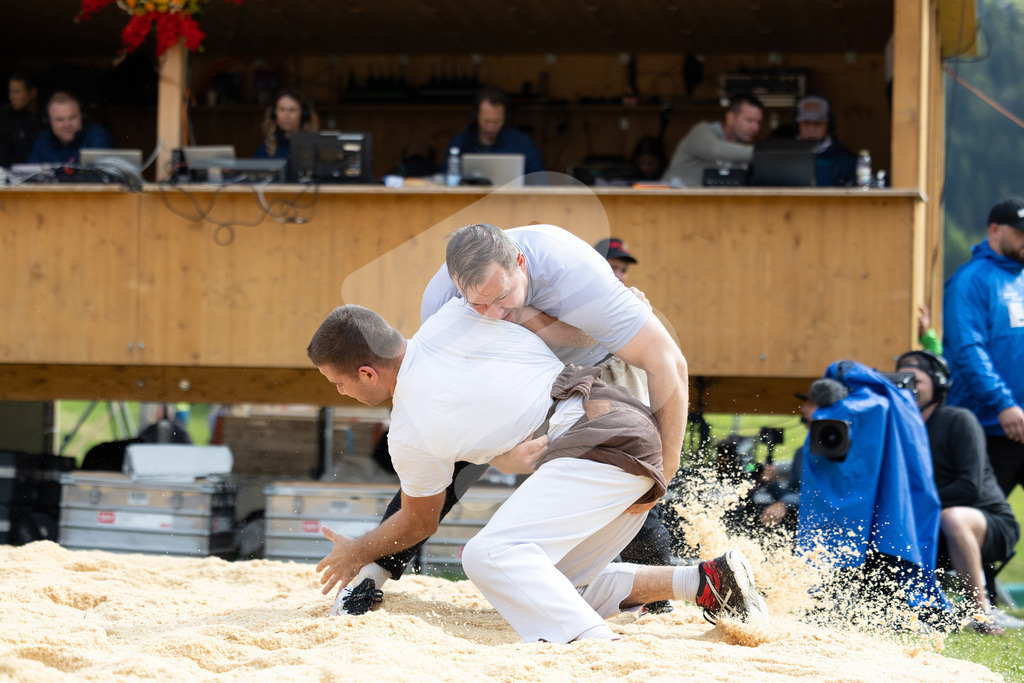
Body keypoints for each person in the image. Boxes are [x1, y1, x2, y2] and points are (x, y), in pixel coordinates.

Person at [308, 303, 768, 642]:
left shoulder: (410, 431)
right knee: (543, 588)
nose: (341, 392)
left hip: (596, 438)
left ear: (367, 374)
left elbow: (418, 522)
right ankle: (704, 581)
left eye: (338, 382)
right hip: (621, 425)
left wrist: (357, 552)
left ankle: (594, 648)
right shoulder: (455, 316)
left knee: (488, 556)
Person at [338, 223, 688, 615]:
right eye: (478, 305)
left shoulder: (570, 269)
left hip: (597, 371)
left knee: (628, 473)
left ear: (521, 263)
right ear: (456, 284)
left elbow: (667, 361)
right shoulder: (442, 299)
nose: (493, 313)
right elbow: (455, 403)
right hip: (519, 380)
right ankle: (373, 572)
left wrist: (668, 463)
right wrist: (499, 455)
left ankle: (659, 597)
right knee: (444, 457)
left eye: (502, 297)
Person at [895, 350, 1021, 634]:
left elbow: (969, 488)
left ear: (938, 385)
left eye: (916, 380)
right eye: (901, 381)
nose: (908, 387)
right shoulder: (896, 427)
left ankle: (982, 613)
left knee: (952, 517)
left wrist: (910, 505)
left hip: (987, 521)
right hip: (925, 522)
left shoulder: (958, 420)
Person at [944, 198, 1024, 499]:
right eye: (1019, 232)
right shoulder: (970, 281)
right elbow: (968, 350)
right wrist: (1002, 403)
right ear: (994, 230)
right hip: (989, 428)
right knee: (980, 521)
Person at [661, 92, 764, 188]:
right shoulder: (702, 131)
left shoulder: (741, 150)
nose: (755, 128)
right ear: (730, 118)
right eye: (749, 120)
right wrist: (765, 154)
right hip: (667, 199)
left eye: (758, 122)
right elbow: (715, 150)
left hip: (707, 201)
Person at [447, 86, 545, 176]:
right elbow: (446, 180)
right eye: (486, 121)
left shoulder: (523, 144)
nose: (490, 127)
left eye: (496, 122)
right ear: (476, 116)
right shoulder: (459, 143)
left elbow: (540, 180)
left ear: (506, 118)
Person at [27, 91, 113, 165]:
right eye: (60, 120)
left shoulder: (98, 136)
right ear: (48, 121)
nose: (67, 125)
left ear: (82, 117)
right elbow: (30, 173)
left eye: (72, 118)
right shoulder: (42, 139)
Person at [791, 95, 857, 188]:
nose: (811, 129)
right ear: (797, 124)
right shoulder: (783, 154)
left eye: (817, 123)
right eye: (806, 123)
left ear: (829, 125)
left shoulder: (845, 159)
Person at [253, 87, 319, 160]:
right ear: (274, 114)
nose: (286, 116)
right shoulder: (263, 151)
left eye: (292, 110)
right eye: (282, 109)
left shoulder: (317, 150)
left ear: (304, 115)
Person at [0, 70, 41, 167]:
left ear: (33, 93)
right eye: (10, 92)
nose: (11, 97)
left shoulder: (48, 115)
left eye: (17, 92)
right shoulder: (6, 116)